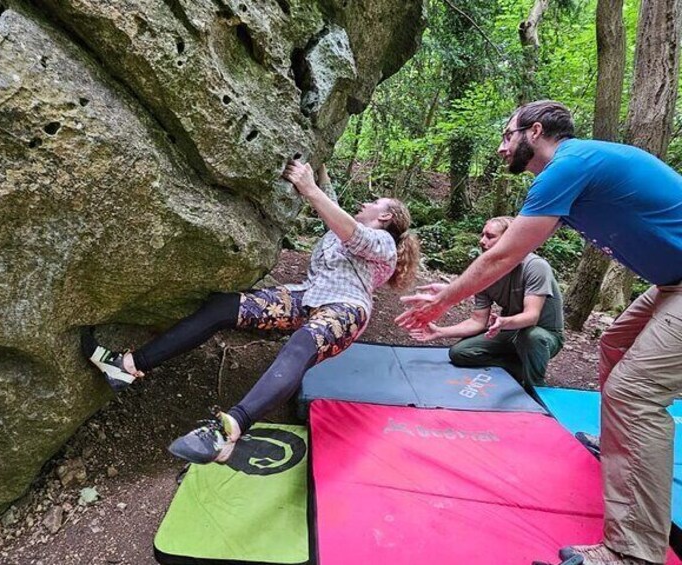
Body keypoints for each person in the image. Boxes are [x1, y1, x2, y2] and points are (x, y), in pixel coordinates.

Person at [396, 100, 682, 565]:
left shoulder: (570, 164)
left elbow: (504, 256)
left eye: (507, 135)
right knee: (615, 343)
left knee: (635, 391)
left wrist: (442, 300)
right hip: (672, 283)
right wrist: (454, 289)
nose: (501, 146)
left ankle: (633, 553)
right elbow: (505, 253)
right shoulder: (573, 174)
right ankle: (617, 442)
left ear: (534, 131)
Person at [83, 160, 420, 465]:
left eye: (374, 202)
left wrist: (309, 188)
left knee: (302, 344)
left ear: (386, 216)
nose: (366, 203)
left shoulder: (384, 244)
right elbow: (332, 205)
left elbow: (351, 231)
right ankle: (127, 365)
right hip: (303, 299)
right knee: (222, 307)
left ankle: (228, 431)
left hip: (346, 310)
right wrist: (316, 167)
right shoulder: (339, 226)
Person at [408, 216, 564, 391]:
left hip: (543, 336)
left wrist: (505, 322)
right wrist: (439, 332)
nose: (482, 241)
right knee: (459, 353)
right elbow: (477, 321)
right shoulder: (484, 272)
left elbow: (532, 316)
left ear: (509, 239)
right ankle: (518, 369)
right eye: (482, 235)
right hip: (510, 331)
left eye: (489, 236)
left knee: (532, 336)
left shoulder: (535, 266)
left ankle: (535, 388)